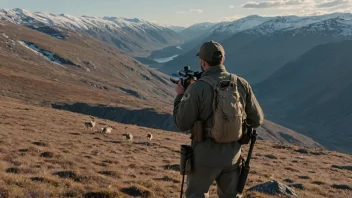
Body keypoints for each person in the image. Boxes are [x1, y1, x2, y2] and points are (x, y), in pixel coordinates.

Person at [173, 40, 264, 198]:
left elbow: (182, 123)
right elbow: (257, 120)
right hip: (233, 156)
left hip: (204, 157)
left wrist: (180, 95)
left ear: (202, 62)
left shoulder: (197, 88)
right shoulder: (241, 84)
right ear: (223, 59)